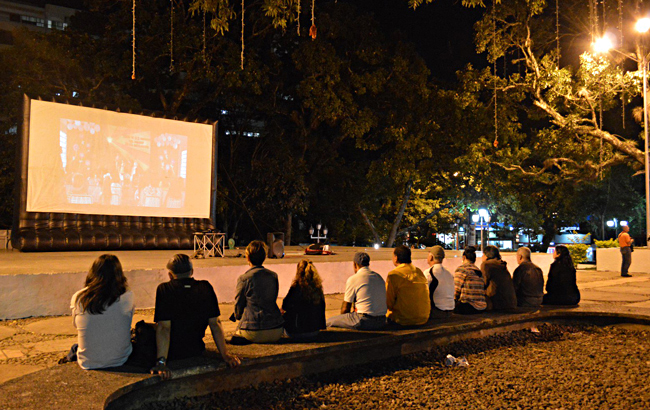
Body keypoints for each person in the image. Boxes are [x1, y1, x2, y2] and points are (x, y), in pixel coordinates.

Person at [151, 254, 239, 380]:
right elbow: (215, 324)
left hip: (173, 353)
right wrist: (225, 355)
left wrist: (161, 363)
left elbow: (164, 328)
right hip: (196, 349)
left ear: (170, 274)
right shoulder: (205, 287)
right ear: (192, 272)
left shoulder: (165, 289)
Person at [68, 254, 134, 370]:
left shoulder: (79, 297)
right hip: (121, 359)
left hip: (87, 362)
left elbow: (76, 325)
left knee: (75, 348)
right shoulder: (127, 296)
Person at [232, 240, 285, 343]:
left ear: (248, 258)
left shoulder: (244, 278)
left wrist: (238, 316)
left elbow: (238, 305)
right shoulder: (273, 276)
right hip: (276, 328)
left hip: (253, 330)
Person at [326, 252, 387, 330]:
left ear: (355, 264)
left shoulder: (353, 279)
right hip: (381, 321)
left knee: (329, 322)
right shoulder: (379, 277)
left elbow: (345, 308)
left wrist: (344, 318)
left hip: (364, 320)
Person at [385, 245, 430, 326]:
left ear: (396, 258)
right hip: (423, 318)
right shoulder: (419, 272)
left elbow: (388, 303)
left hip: (403, 320)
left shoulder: (394, 275)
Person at [281, 260, 326, 340]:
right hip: (314, 330)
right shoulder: (318, 289)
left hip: (297, 331)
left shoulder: (296, 287)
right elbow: (322, 309)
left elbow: (285, 305)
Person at [481, 245, 517, 311]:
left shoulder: (486, 265)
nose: (482, 257)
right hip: (510, 303)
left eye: (483, 255)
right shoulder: (501, 265)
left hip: (497, 303)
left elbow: (483, 284)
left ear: (486, 255)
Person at [453, 246, 487, 314]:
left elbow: (455, 289)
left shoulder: (462, 269)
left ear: (464, 257)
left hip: (468, 306)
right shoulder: (478, 271)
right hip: (482, 307)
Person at [423, 245, 455, 313]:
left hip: (437, 311)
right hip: (451, 309)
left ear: (431, 257)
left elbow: (423, 294)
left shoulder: (428, 273)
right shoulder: (449, 273)